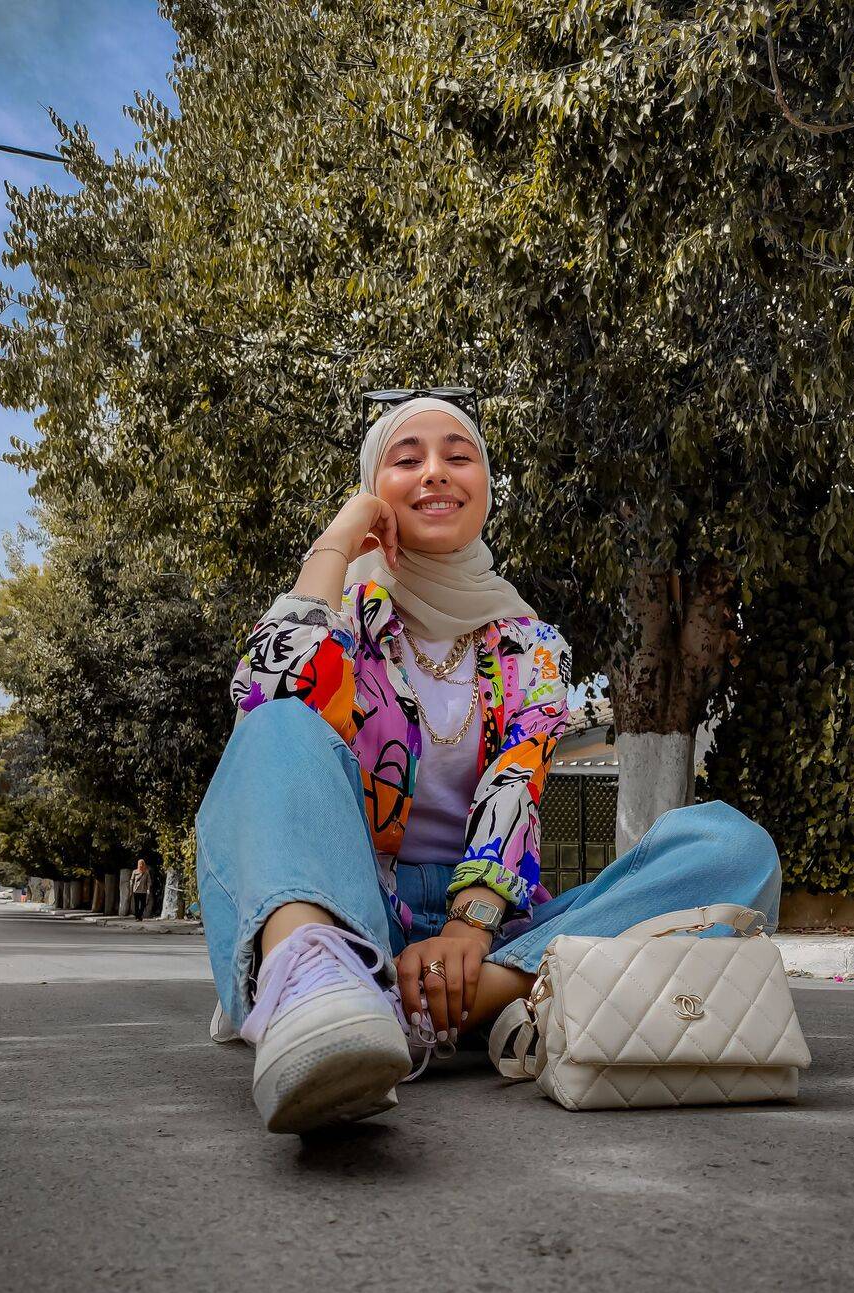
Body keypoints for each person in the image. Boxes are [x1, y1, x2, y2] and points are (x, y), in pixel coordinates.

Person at [196, 394, 781, 1136]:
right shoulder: (345, 620)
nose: (435, 473)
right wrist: (339, 536)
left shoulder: (528, 643)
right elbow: (266, 695)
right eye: (406, 459)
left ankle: (445, 1001)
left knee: (732, 849)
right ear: (375, 486)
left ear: (484, 485)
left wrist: (471, 931)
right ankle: (319, 973)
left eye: (458, 455)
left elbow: (517, 779)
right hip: (355, 905)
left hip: (500, 927)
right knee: (280, 722)